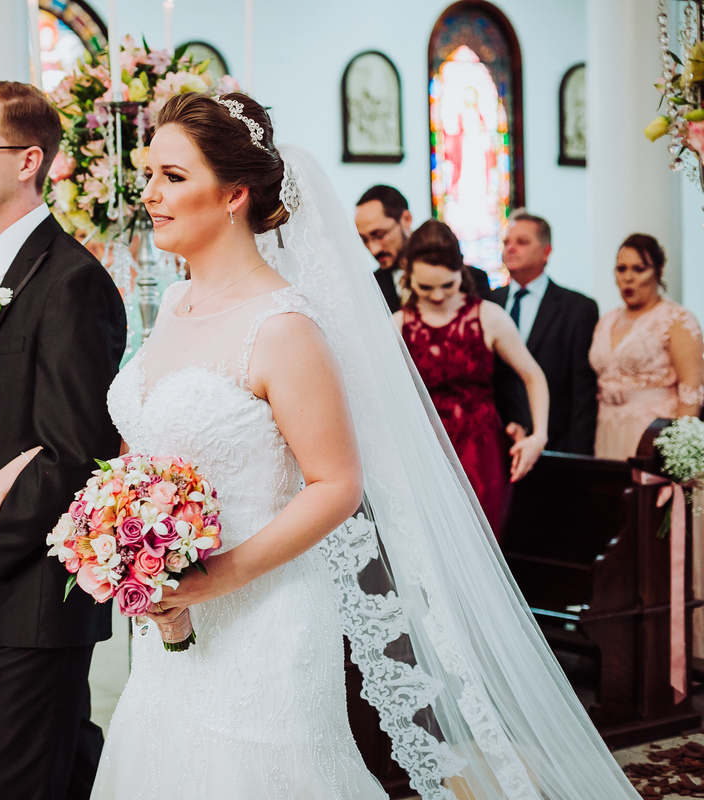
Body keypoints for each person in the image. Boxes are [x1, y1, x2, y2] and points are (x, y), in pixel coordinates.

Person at [86, 92, 640, 799]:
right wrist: (128, 538)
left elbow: (337, 485)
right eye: (149, 175)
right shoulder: (172, 305)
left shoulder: (283, 326)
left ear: (233, 193)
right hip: (173, 614)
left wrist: (213, 577)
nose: (150, 195)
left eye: (172, 176)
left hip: (264, 615)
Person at [0, 81, 127, 800]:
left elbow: (75, 451)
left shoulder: (71, 282)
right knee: (64, 767)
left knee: (13, 783)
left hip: (43, 585)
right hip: (3, 577)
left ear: (27, 161)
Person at [392, 219, 549, 537]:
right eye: (425, 287)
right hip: (424, 453)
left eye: (447, 285)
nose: (438, 295)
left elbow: (533, 376)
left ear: (460, 271)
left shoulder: (489, 316)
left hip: (481, 451)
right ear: (409, 276)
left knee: (482, 540)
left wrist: (538, 437)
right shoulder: (398, 325)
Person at [487, 212, 599, 454]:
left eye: (522, 242)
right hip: (495, 441)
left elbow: (582, 392)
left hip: (555, 444)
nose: (510, 248)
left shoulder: (577, 308)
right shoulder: (488, 303)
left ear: (546, 252)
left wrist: (577, 456)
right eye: (506, 242)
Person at [590, 233, 704, 459]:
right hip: (607, 427)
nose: (628, 277)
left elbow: (692, 391)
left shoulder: (676, 320)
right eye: (621, 269)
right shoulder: (607, 320)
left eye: (639, 269)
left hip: (653, 431)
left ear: (658, 272)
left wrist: (678, 452)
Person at [354, 184, 490, 312]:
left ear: (406, 219)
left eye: (380, 235)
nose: (374, 249)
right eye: (364, 240)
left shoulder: (474, 278)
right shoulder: (367, 290)